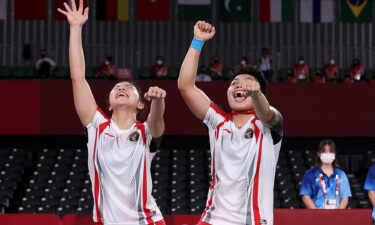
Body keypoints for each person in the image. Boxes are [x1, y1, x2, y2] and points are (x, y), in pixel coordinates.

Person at [58, 1, 166, 225]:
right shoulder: (96, 126)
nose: (122, 88)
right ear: (108, 104)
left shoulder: (146, 132)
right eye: (117, 88)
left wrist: (158, 102)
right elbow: (78, 77)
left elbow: (157, 124)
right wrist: (75, 28)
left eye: (129, 88)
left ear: (140, 105)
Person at [178, 21, 283, 225]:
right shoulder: (218, 123)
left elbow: (268, 114)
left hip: (253, 220)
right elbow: (185, 86)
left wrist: (256, 93)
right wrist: (197, 41)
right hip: (213, 219)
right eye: (234, 83)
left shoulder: (268, 125)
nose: (239, 86)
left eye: (247, 83)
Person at [300, 139, 351, 209]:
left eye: (330, 151)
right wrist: (317, 215)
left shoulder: (341, 175)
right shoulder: (310, 174)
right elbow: (305, 197)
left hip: (336, 216)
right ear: (318, 153)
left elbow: (345, 198)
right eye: (324, 151)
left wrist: (338, 215)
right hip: (316, 216)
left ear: (334, 154)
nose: (327, 154)